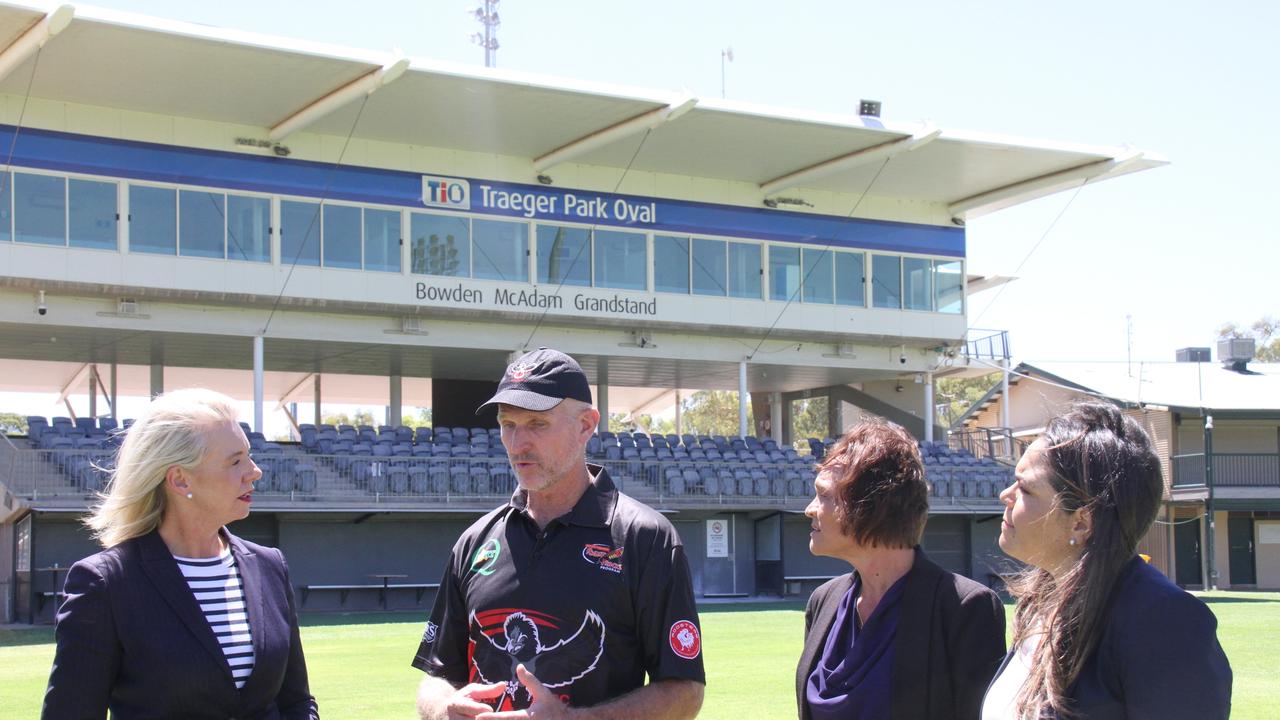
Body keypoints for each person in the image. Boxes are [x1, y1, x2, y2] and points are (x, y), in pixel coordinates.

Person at [413, 348, 705, 719]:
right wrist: (441, 707)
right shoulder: (475, 541)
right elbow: (437, 675)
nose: (518, 445)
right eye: (508, 424)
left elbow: (685, 691)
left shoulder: (645, 539)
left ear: (586, 425)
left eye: (537, 424)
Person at [42, 388, 318, 719]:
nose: (254, 471)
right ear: (180, 480)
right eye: (235, 461)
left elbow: (296, 702)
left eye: (249, 455)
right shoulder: (106, 584)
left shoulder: (270, 566)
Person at [982, 402, 1232, 719]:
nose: (1006, 494)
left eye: (1026, 489)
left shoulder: (1163, 621)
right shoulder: (1041, 604)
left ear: (1081, 522)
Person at [796, 421, 1006, 720]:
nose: (810, 508)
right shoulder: (823, 602)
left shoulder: (964, 608)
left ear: (870, 505)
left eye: (825, 495)